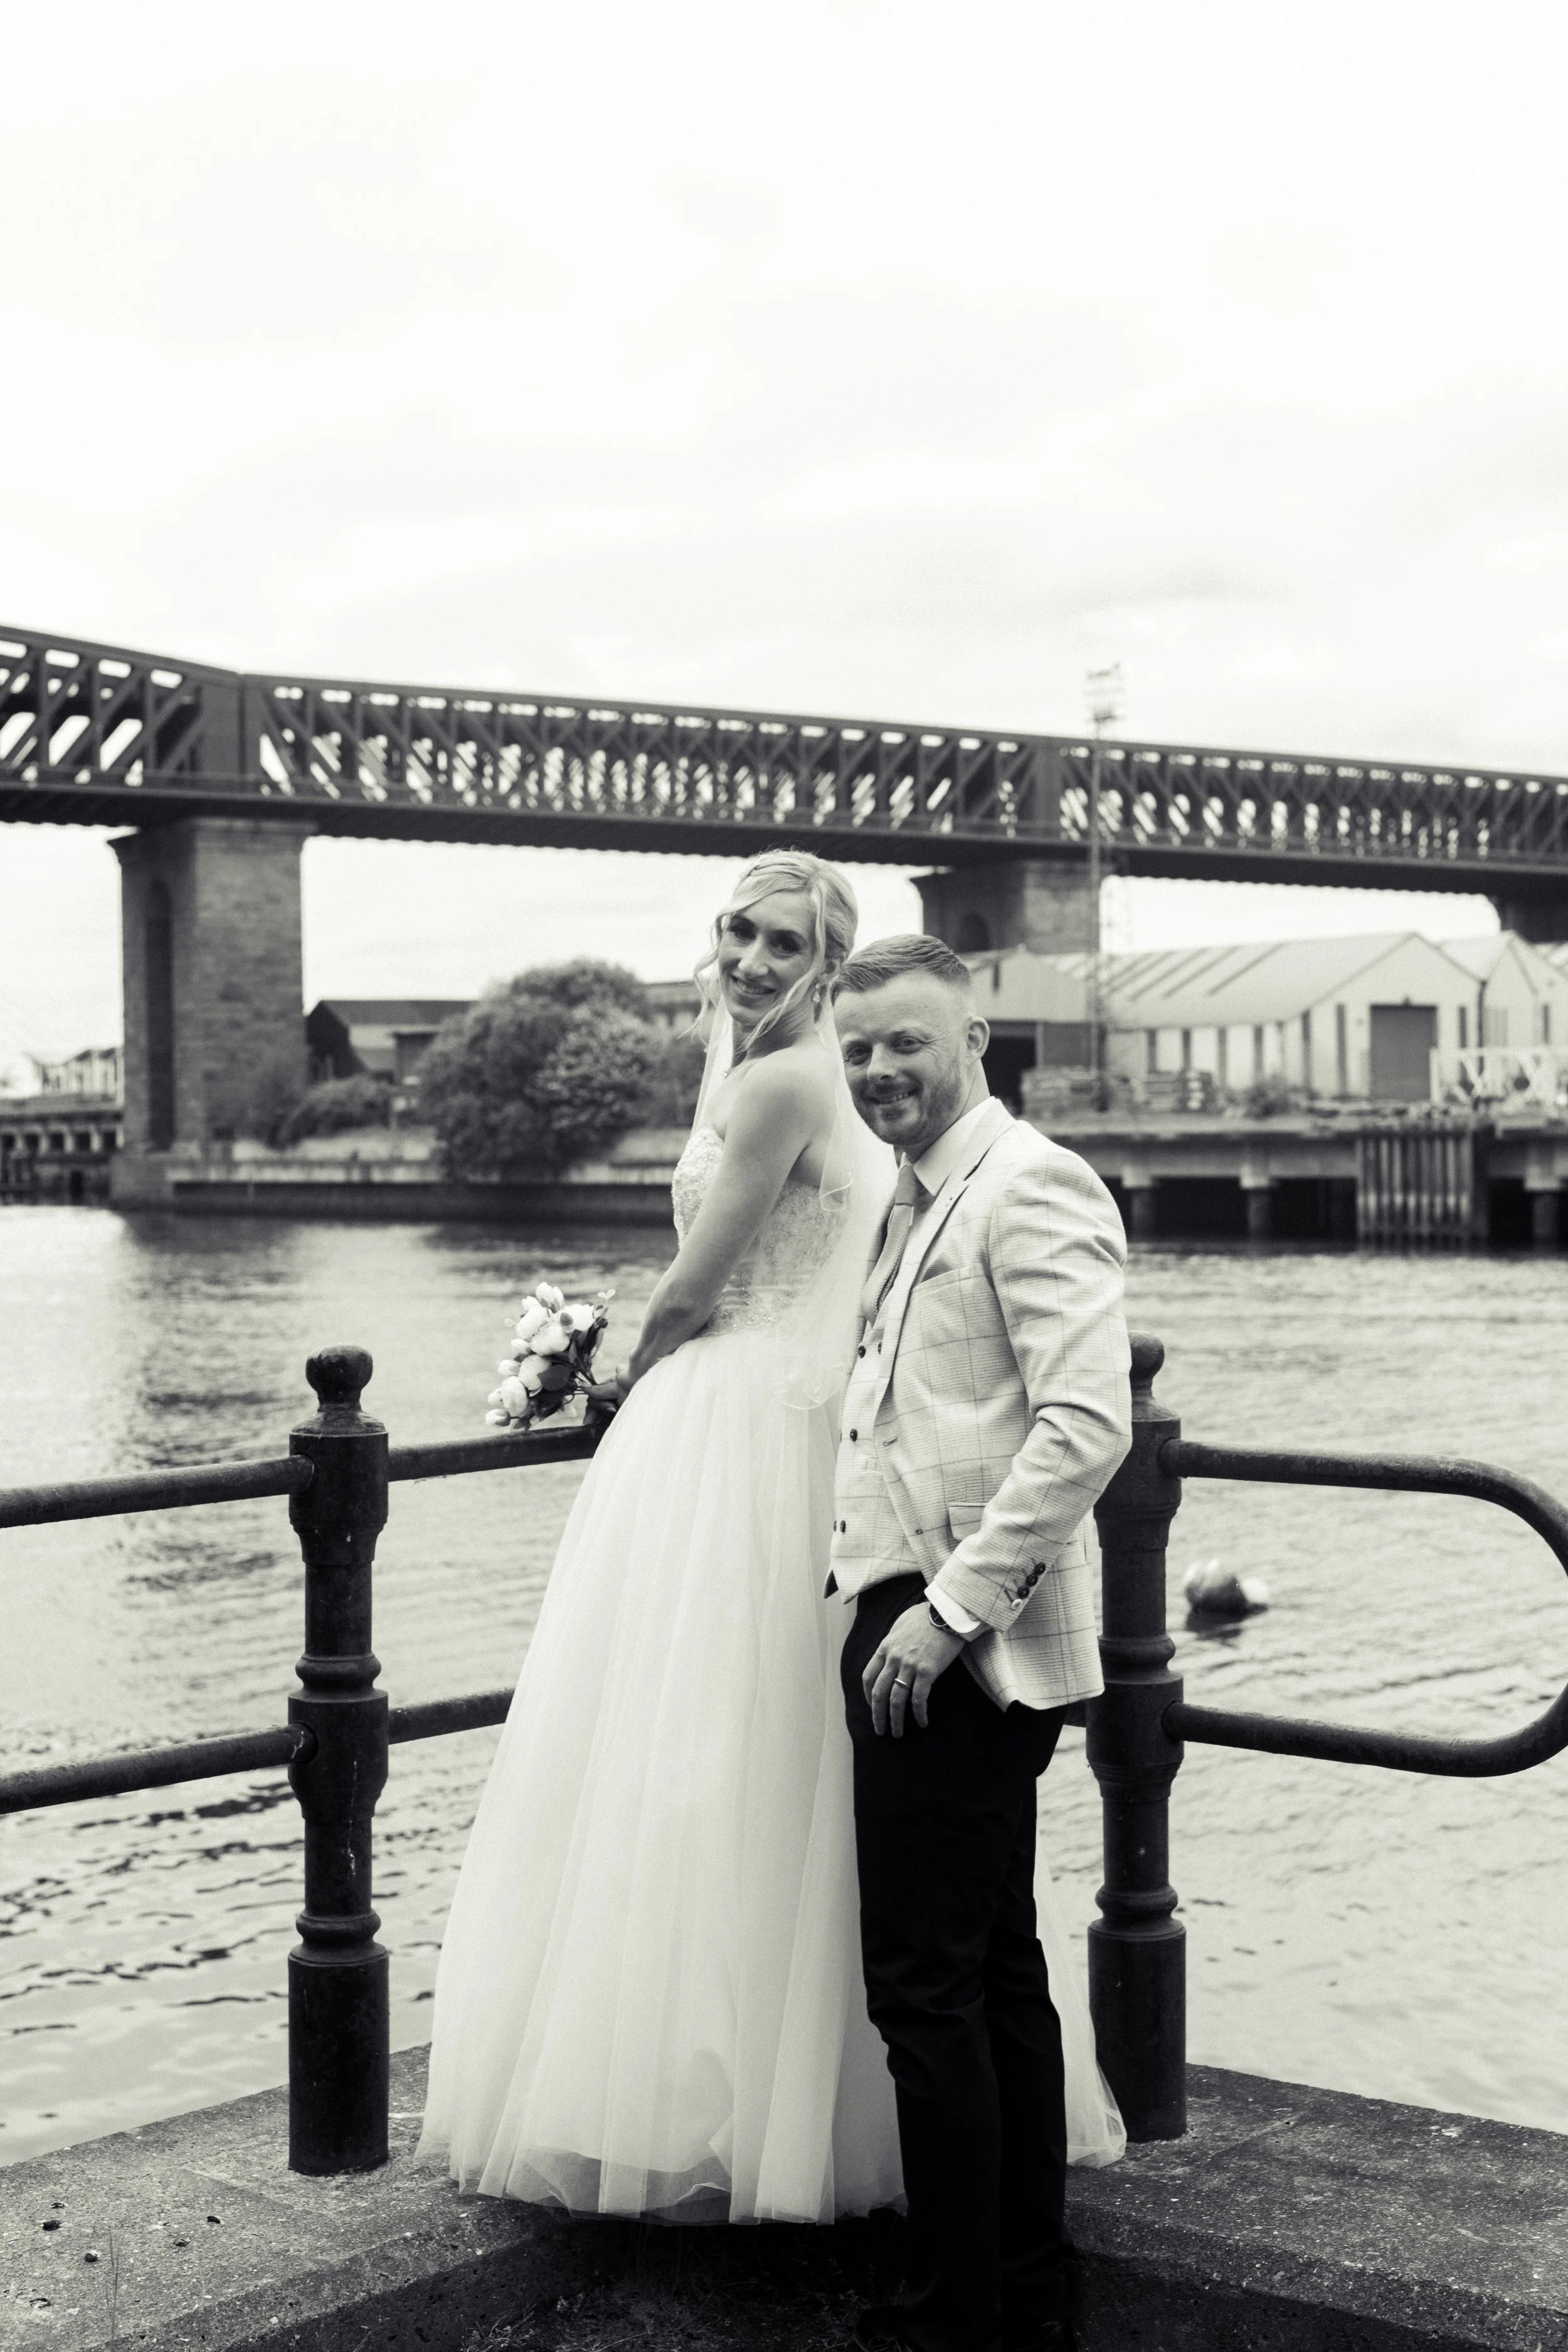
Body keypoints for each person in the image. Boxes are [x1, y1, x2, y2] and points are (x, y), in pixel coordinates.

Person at [417, 856, 1123, 2228]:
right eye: (735, 930)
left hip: (754, 1433)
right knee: (795, 1804)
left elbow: (706, 1279)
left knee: (711, 1766)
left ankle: (929, 2261)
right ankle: (971, 2251)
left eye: (780, 940)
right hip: (829, 1441)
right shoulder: (852, 1111)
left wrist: (606, 1375)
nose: (746, 957)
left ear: (832, 963)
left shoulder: (818, 1092)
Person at [830, 935, 1132, 2352]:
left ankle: (948, 2311)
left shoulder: (1028, 1183)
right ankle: (1019, 2285)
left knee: (923, 1987)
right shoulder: (909, 1199)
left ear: (974, 1044)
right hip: (917, 1628)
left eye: (904, 1042)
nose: (878, 1070)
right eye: (858, 1051)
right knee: (991, 1962)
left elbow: (1086, 1423)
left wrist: (944, 1614)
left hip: (950, 1646)